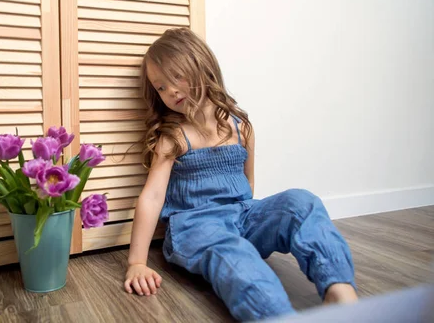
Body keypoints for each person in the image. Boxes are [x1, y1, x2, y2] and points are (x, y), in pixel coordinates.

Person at [123, 28, 358, 321]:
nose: (170, 90)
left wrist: (256, 219)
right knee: (234, 252)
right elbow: (153, 197)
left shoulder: (241, 127)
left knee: (302, 202)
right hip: (197, 226)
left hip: (242, 216)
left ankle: (341, 291)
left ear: (202, 66)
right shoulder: (173, 137)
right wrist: (136, 262)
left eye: (177, 77)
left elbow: (248, 185)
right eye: (160, 87)